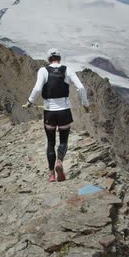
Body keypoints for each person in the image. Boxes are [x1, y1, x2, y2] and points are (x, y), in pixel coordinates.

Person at [23, 48, 90, 182]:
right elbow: (81, 88)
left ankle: (51, 174)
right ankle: (59, 161)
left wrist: (29, 102)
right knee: (63, 141)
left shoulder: (43, 70)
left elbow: (37, 88)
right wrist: (85, 104)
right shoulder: (67, 70)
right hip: (64, 111)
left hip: (49, 112)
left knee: (51, 142)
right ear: (59, 58)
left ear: (49, 59)